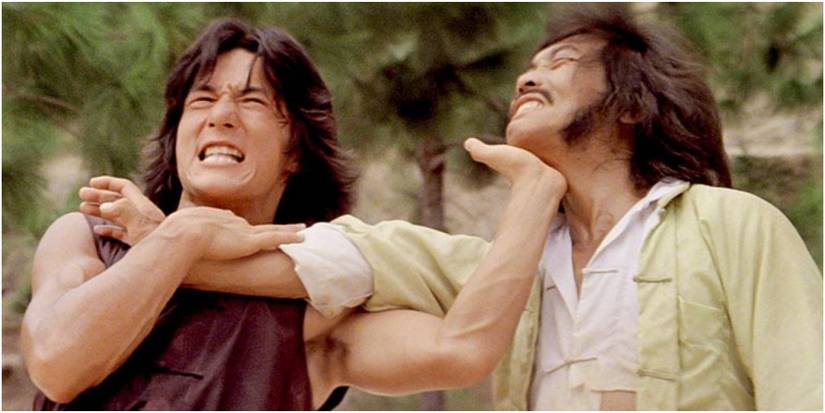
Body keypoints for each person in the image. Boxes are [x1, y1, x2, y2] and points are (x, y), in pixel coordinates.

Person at [69, 5, 823, 410]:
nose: (526, 78)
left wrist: (166, 238)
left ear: (630, 105)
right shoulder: (494, 268)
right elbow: (319, 259)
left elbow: (805, 389)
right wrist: (165, 239)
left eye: (560, 64)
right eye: (526, 69)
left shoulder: (730, 226)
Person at [21, 18, 567, 410]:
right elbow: (57, 366)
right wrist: (183, 236)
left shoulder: (312, 317)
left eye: (253, 101)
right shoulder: (91, 238)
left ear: (296, 152)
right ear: (177, 133)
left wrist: (535, 193)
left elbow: (462, 348)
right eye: (202, 100)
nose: (221, 116)